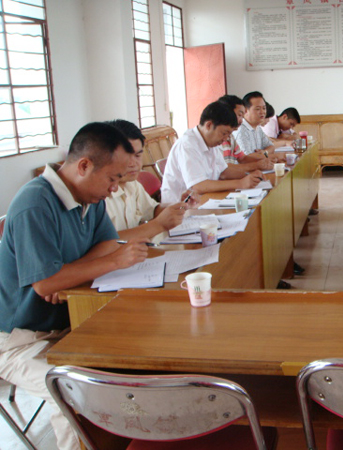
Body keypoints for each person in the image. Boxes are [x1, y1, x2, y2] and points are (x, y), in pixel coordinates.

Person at [0, 122, 150, 450]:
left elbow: (107, 243)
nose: (114, 188)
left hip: (68, 322)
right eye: (112, 178)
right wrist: (107, 263)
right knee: (68, 390)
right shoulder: (34, 203)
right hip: (19, 338)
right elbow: (46, 284)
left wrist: (72, 274)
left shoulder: (89, 198)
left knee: (134, 357)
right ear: (84, 166)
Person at [161, 101, 263, 203]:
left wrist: (250, 175)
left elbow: (224, 172)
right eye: (224, 133)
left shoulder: (211, 142)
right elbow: (198, 186)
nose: (226, 139)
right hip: (180, 207)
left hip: (203, 200)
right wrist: (240, 183)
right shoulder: (187, 145)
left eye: (229, 135)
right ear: (209, 125)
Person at [105, 119, 188, 241]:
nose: (134, 163)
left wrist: (179, 205)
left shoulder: (132, 184)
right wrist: (158, 225)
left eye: (138, 155)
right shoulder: (99, 196)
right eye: (126, 156)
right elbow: (106, 244)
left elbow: (152, 210)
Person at [217, 95, 274, 172]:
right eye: (239, 115)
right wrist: (258, 164)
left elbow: (242, 158)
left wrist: (267, 158)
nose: (241, 120)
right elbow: (224, 171)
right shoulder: (236, 132)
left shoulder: (230, 136)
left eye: (264, 108)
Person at [232, 91, 277, 157]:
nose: (262, 112)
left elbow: (271, 147)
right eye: (258, 109)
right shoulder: (241, 130)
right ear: (245, 111)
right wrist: (265, 155)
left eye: (264, 108)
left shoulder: (257, 128)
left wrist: (264, 152)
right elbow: (247, 158)